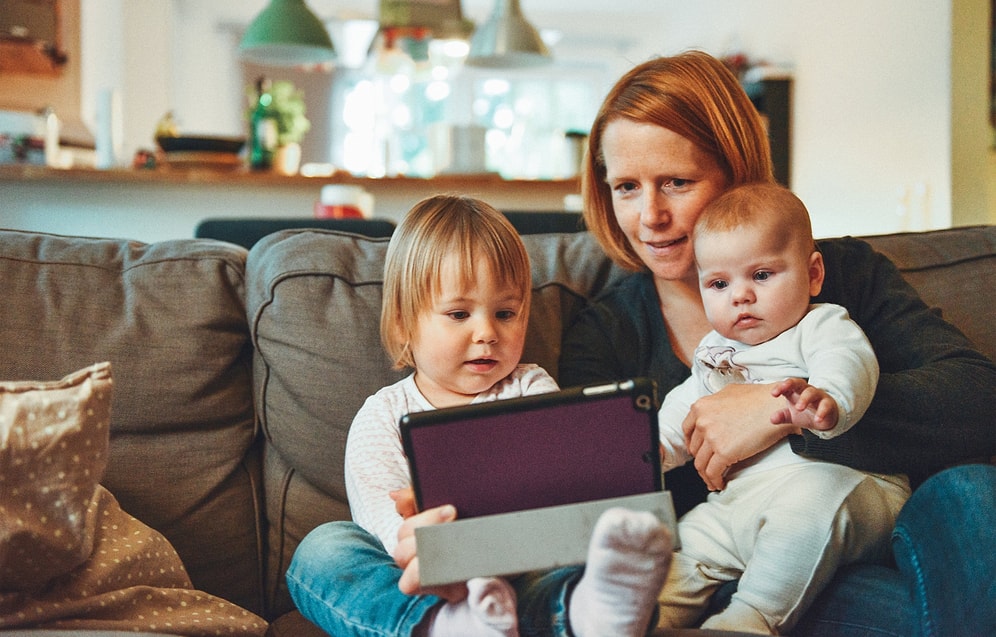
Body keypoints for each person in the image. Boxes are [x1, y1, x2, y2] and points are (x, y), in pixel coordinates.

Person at [558, 50, 996, 635]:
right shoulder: (606, 331)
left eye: (676, 183)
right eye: (627, 188)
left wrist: (781, 409)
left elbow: (978, 400)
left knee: (972, 490)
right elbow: (598, 494)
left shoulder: (840, 276)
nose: (651, 216)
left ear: (735, 173)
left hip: (863, 539)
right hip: (719, 570)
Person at [286, 194, 674, 637]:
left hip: (524, 569)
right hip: (428, 581)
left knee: (592, 557)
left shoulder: (531, 387)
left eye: (506, 313)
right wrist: (440, 554)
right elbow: (384, 526)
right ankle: (447, 625)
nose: (487, 333)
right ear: (402, 324)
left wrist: (617, 461)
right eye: (458, 314)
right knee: (323, 549)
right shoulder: (382, 415)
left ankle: (590, 614)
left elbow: (562, 486)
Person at [652, 182, 910, 634]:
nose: (740, 296)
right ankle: (643, 618)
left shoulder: (820, 323)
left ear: (812, 274)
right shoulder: (715, 349)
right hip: (740, 503)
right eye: (718, 283)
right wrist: (652, 449)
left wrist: (827, 399)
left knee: (805, 508)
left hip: (843, 488)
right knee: (685, 542)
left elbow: (848, 361)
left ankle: (749, 619)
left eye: (762, 275)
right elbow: (686, 406)